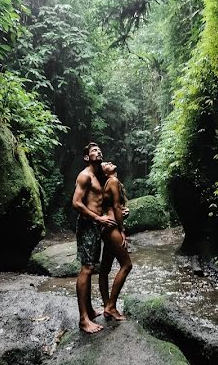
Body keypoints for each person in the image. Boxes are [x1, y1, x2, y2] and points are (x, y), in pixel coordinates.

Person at [72, 142, 117, 333]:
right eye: (93, 151)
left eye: (99, 150)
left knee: (92, 267)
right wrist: (98, 218)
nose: (98, 152)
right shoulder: (85, 175)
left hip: (96, 225)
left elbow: (107, 199)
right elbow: (76, 203)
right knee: (87, 268)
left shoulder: (99, 176)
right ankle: (83, 320)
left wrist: (122, 210)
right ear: (86, 157)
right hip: (88, 224)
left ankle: (89, 310)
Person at [97, 160, 132, 321]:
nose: (109, 163)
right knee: (126, 265)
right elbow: (117, 207)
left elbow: (113, 206)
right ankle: (111, 306)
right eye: (106, 164)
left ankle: (107, 306)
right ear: (105, 173)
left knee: (105, 269)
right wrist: (122, 230)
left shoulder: (107, 184)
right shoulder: (113, 181)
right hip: (113, 229)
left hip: (106, 229)